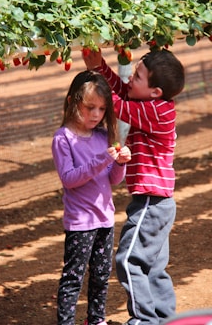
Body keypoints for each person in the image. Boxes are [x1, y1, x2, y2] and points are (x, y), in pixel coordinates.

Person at [82, 48, 185, 325]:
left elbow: (118, 103)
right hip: (159, 202)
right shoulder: (157, 104)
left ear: (155, 91)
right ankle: (165, 318)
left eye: (137, 76)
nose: (131, 80)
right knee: (153, 267)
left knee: (128, 260)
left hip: (151, 204)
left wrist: (95, 77)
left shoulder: (156, 112)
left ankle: (143, 320)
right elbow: (125, 93)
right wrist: (100, 66)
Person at [52, 70, 131, 325]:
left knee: (100, 275)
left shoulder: (102, 136)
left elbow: (113, 179)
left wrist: (120, 163)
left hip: (105, 219)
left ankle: (96, 320)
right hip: (80, 223)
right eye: (90, 107)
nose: (96, 114)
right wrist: (103, 159)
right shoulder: (63, 138)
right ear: (72, 101)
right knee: (73, 277)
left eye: (101, 108)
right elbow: (70, 179)